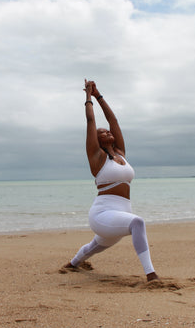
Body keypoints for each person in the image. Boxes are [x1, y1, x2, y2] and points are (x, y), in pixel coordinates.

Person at [62, 79, 159, 282]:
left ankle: (72, 264)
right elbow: (91, 122)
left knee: (94, 247)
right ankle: (151, 275)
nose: (107, 131)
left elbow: (113, 121)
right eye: (102, 133)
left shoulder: (121, 153)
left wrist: (99, 96)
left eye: (108, 132)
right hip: (102, 214)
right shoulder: (97, 158)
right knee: (138, 223)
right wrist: (88, 97)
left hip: (122, 212)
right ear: (96, 141)